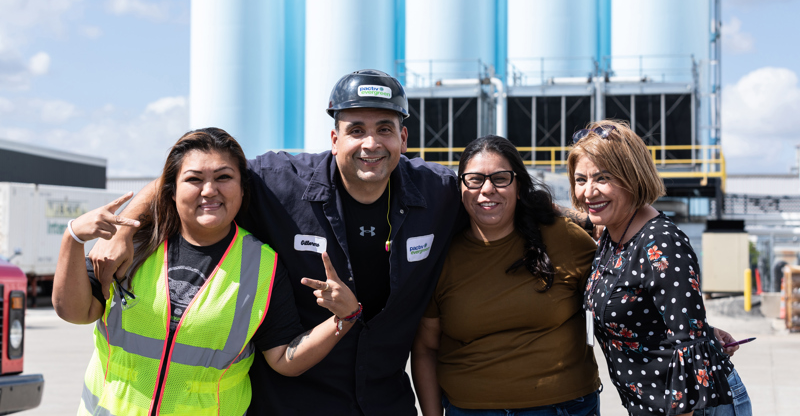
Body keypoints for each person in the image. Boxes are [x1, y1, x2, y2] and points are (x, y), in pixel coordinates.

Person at [87, 70, 466, 415]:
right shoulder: (281, 183)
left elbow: (499, 209)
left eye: (384, 129)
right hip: (289, 403)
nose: (371, 143)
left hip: (386, 404)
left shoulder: (440, 192)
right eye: (356, 130)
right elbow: (190, 175)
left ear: (403, 137)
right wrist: (124, 229)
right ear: (334, 139)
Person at [53, 128, 360, 416]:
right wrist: (73, 238)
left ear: (242, 190)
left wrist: (342, 320)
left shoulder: (262, 265)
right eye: (194, 179)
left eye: (224, 177)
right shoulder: (133, 245)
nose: (209, 190)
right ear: (171, 191)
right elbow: (76, 312)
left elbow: (283, 359)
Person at [567, 120, 752, 416]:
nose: (588, 192)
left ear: (633, 177)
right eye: (580, 180)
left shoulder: (661, 243)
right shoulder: (614, 232)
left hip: (693, 409)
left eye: (602, 178)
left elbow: (688, 348)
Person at [412, 135, 601, 415]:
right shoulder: (441, 255)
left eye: (500, 178)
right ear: (460, 188)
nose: (487, 189)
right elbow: (426, 348)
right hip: (470, 410)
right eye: (474, 179)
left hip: (564, 407)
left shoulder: (563, 237)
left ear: (519, 186)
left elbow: (622, 283)